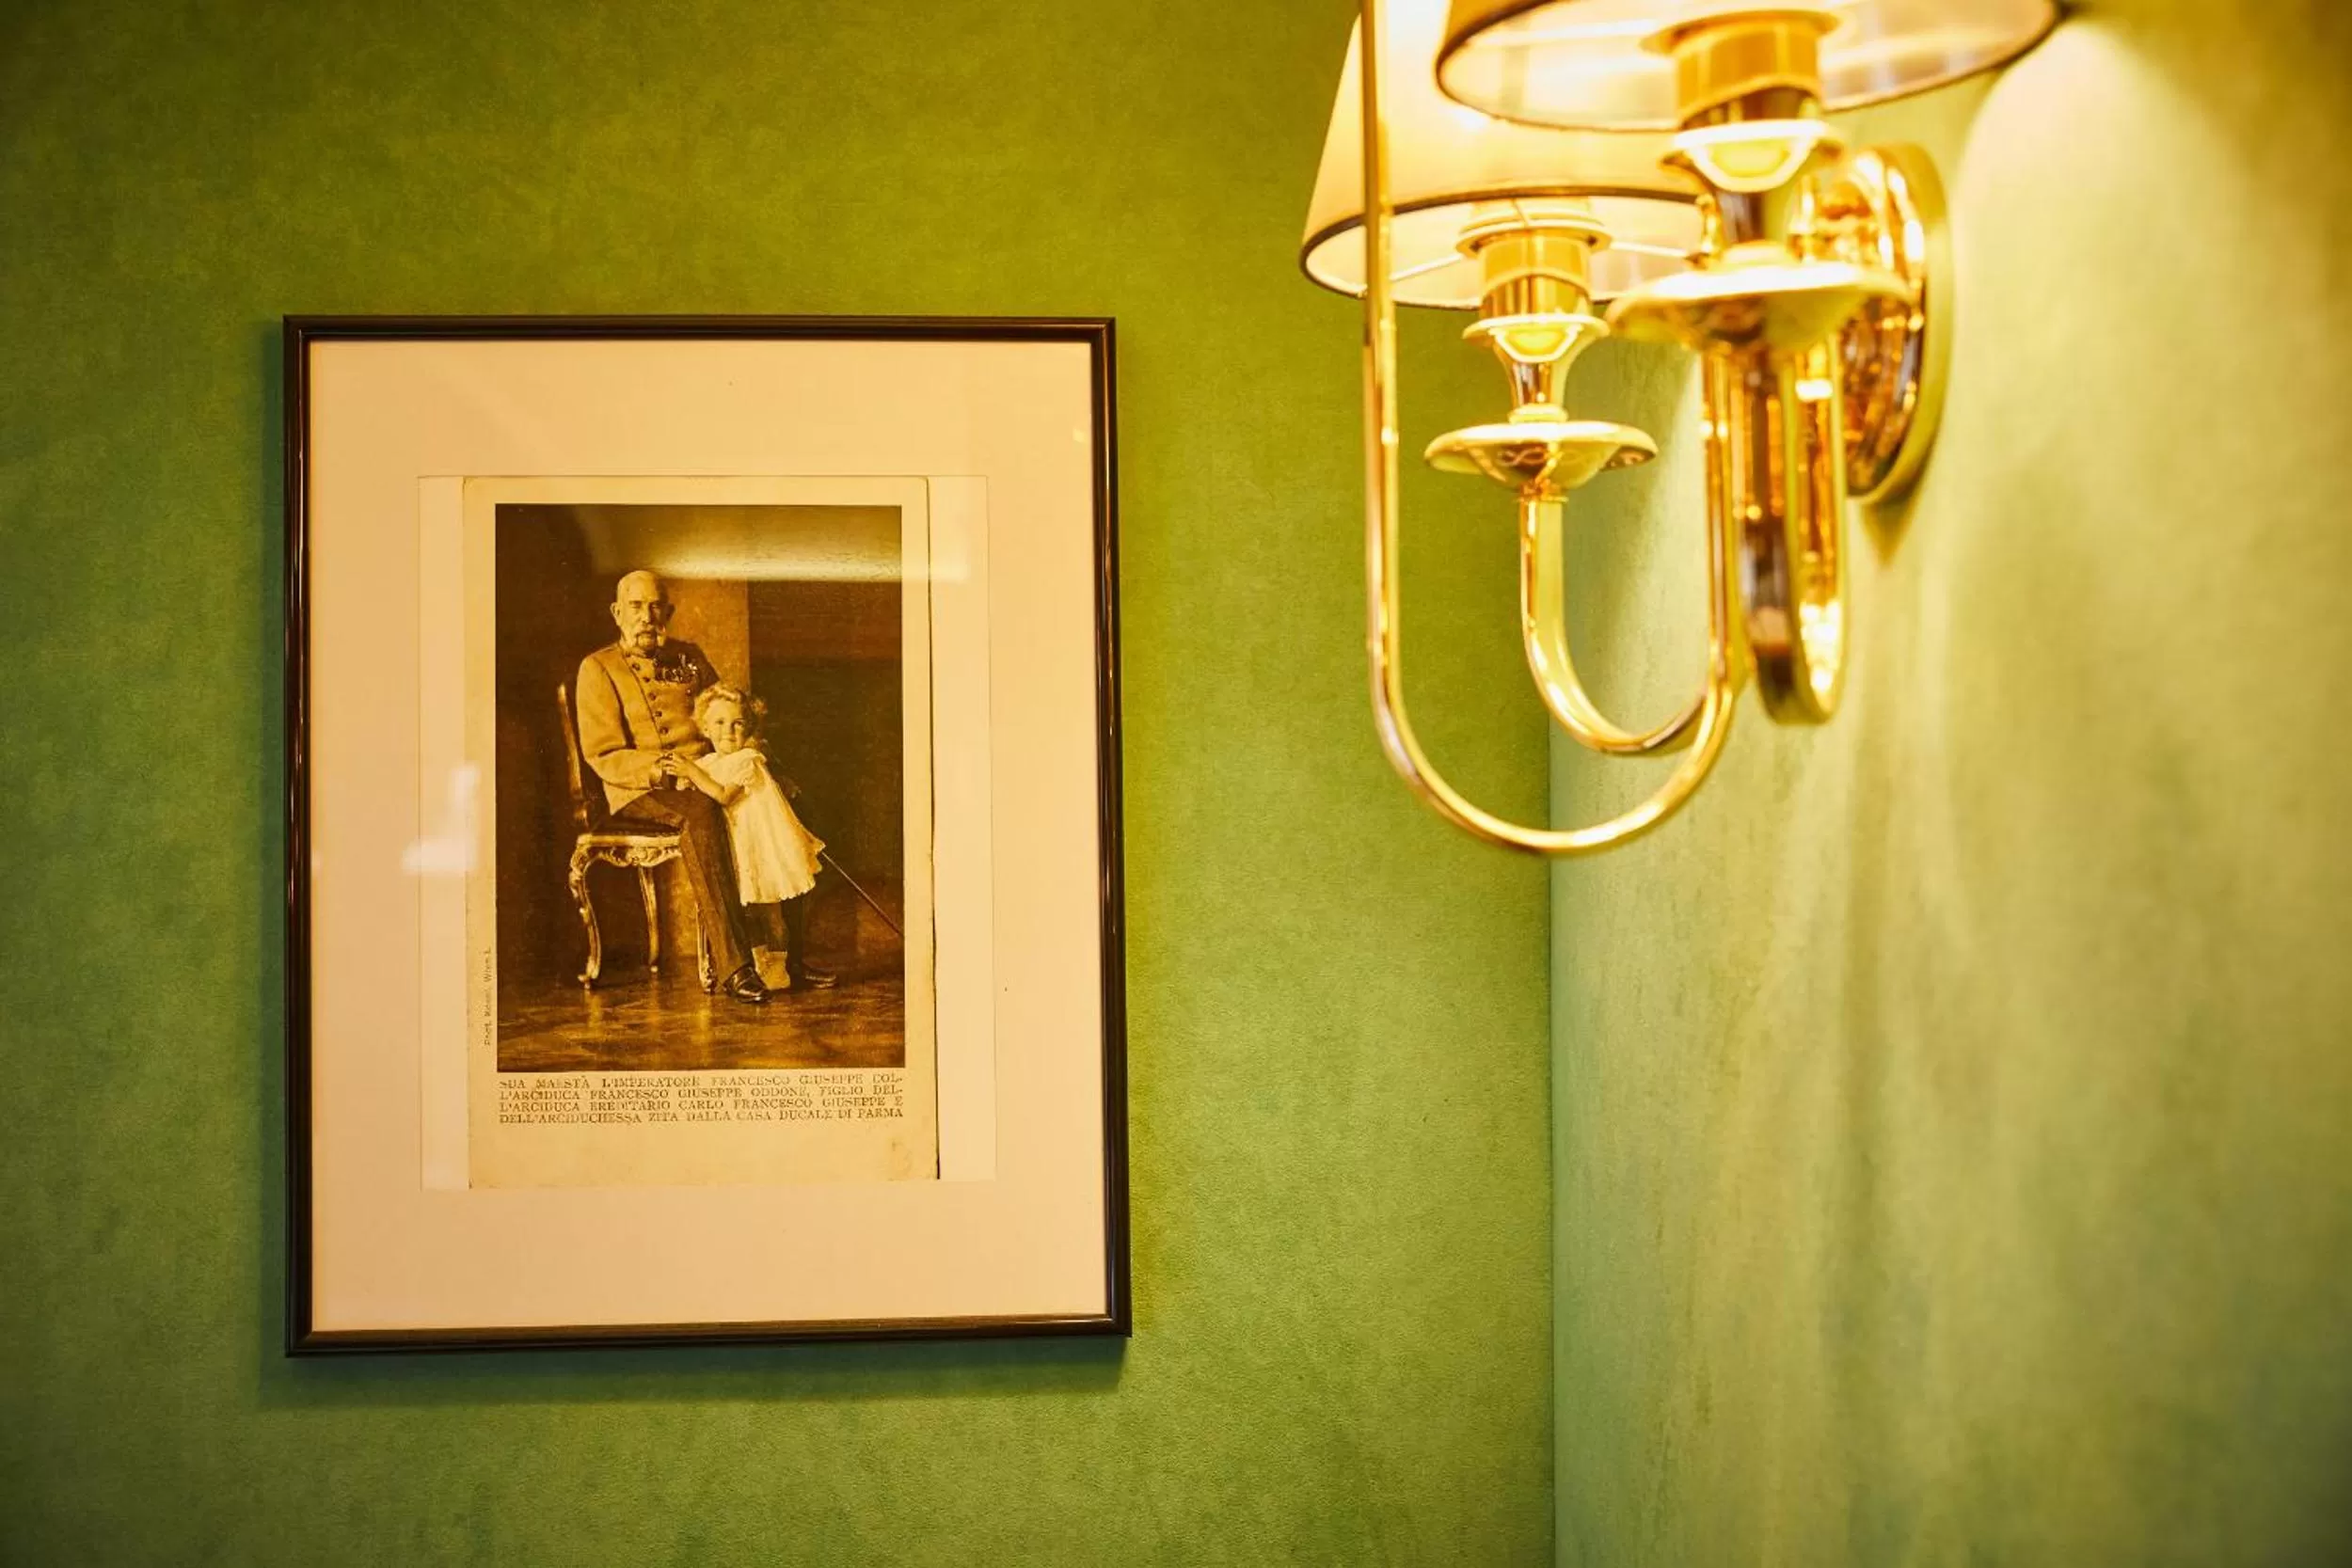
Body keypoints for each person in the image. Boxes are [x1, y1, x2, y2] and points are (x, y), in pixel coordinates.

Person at [572, 569, 770, 1004]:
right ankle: (737, 966)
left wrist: (747, 758)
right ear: (617, 612)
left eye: (655, 606)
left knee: (777, 802)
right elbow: (604, 754)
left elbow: (728, 709)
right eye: (636, 607)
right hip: (638, 790)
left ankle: (787, 956)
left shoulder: (689, 656)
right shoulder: (598, 668)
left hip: (706, 775)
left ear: (669, 611)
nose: (646, 616)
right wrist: (665, 772)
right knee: (702, 812)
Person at [666, 684, 838, 991]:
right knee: (747, 909)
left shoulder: (748, 758)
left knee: (770, 910)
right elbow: (689, 790)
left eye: (737, 723)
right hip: (734, 844)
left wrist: (691, 773)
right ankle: (760, 966)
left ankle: (782, 968)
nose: (728, 731)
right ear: (705, 728)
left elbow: (723, 795)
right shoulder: (707, 763)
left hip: (760, 845)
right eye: (719, 723)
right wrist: (685, 776)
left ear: (748, 728)